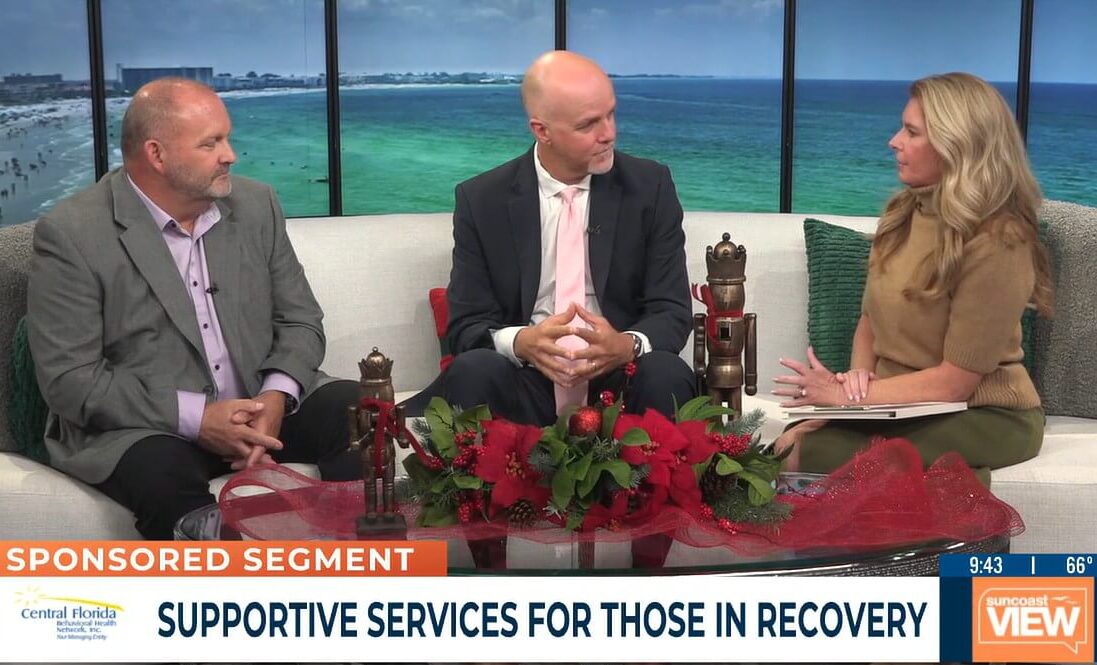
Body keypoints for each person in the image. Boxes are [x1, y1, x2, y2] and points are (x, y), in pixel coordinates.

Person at [26, 78, 360, 539]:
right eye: (211, 143)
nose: (230, 155)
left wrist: (275, 398)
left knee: (360, 412)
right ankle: (230, 580)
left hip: (260, 408)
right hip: (149, 427)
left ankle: (365, 560)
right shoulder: (73, 233)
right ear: (156, 154)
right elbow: (71, 379)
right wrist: (198, 418)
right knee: (162, 475)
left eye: (227, 138)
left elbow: (300, 319)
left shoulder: (256, 204)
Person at [772, 72, 1053, 482]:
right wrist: (856, 384)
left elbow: (955, 384)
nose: (894, 141)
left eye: (912, 132)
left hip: (984, 414)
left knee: (807, 452)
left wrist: (848, 398)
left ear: (955, 144)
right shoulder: (902, 214)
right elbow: (870, 321)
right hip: (902, 406)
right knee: (789, 438)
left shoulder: (999, 239)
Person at [438, 50, 696, 426]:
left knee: (667, 373)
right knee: (472, 371)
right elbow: (465, 326)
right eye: (589, 124)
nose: (609, 134)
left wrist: (625, 345)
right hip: (525, 379)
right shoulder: (482, 200)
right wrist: (521, 342)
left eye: (611, 114)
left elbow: (672, 311)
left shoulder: (650, 187)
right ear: (542, 130)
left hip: (620, 378)